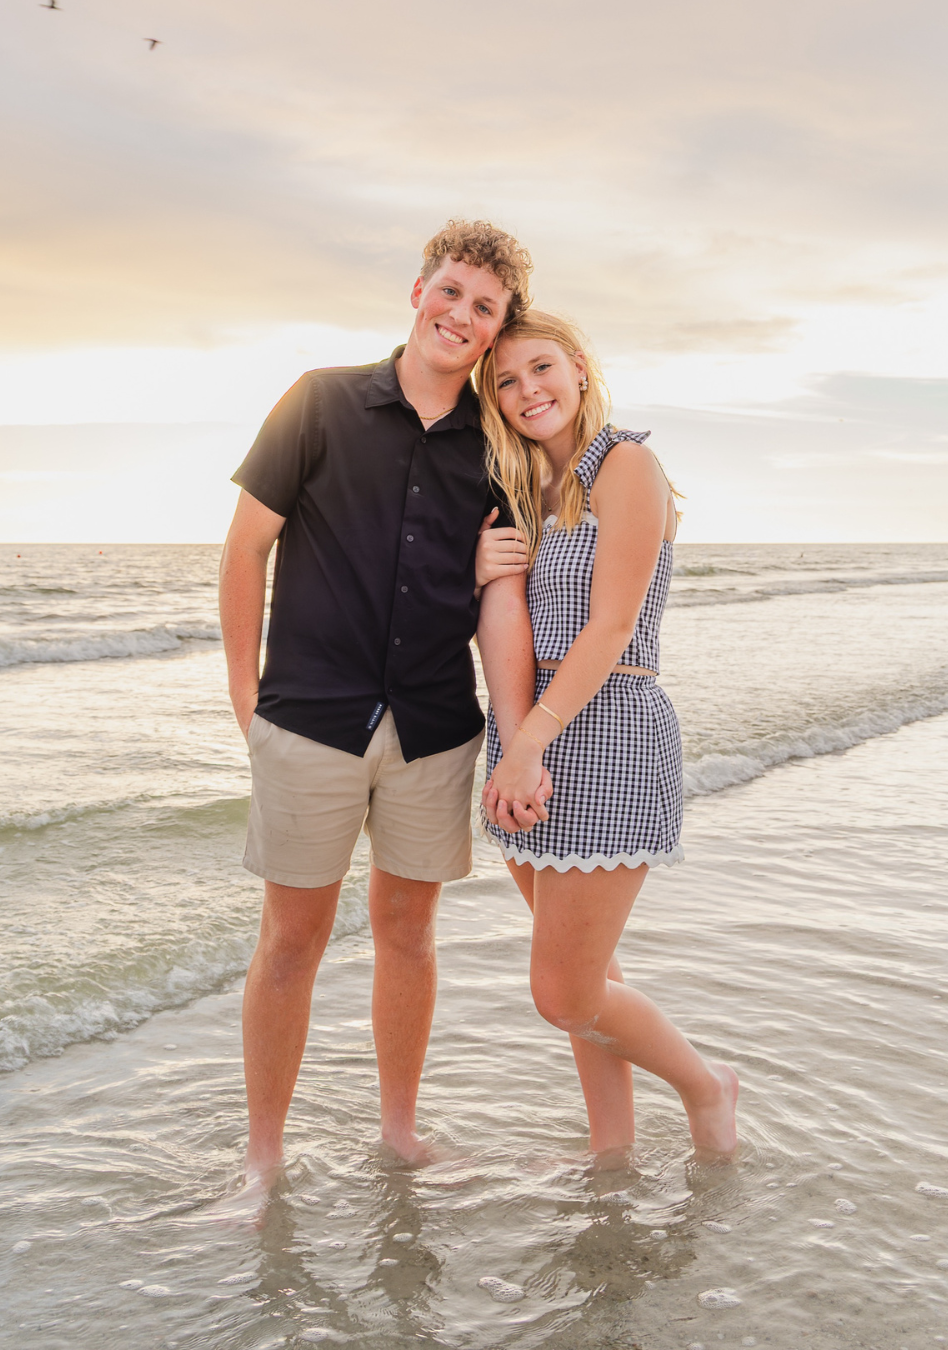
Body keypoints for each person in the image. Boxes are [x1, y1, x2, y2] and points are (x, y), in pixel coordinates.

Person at [218, 220, 548, 1199]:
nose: (461, 315)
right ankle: (264, 1159)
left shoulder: (498, 449)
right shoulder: (318, 402)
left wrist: (521, 736)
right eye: (451, 291)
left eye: (484, 307)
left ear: (495, 329)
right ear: (417, 291)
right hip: (309, 719)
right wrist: (245, 696)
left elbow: (500, 597)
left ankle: (398, 1134)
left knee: (409, 933)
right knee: (291, 941)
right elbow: (245, 549)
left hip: (435, 728)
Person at [477, 309, 739, 1157]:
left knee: (563, 991)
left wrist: (528, 745)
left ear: (580, 368)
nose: (527, 391)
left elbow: (614, 625)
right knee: (590, 975)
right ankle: (611, 1153)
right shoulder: (526, 492)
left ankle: (707, 1087)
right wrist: (514, 739)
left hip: (609, 730)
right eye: (506, 381)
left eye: (541, 368)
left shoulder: (626, 464)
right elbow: (505, 622)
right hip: (529, 733)